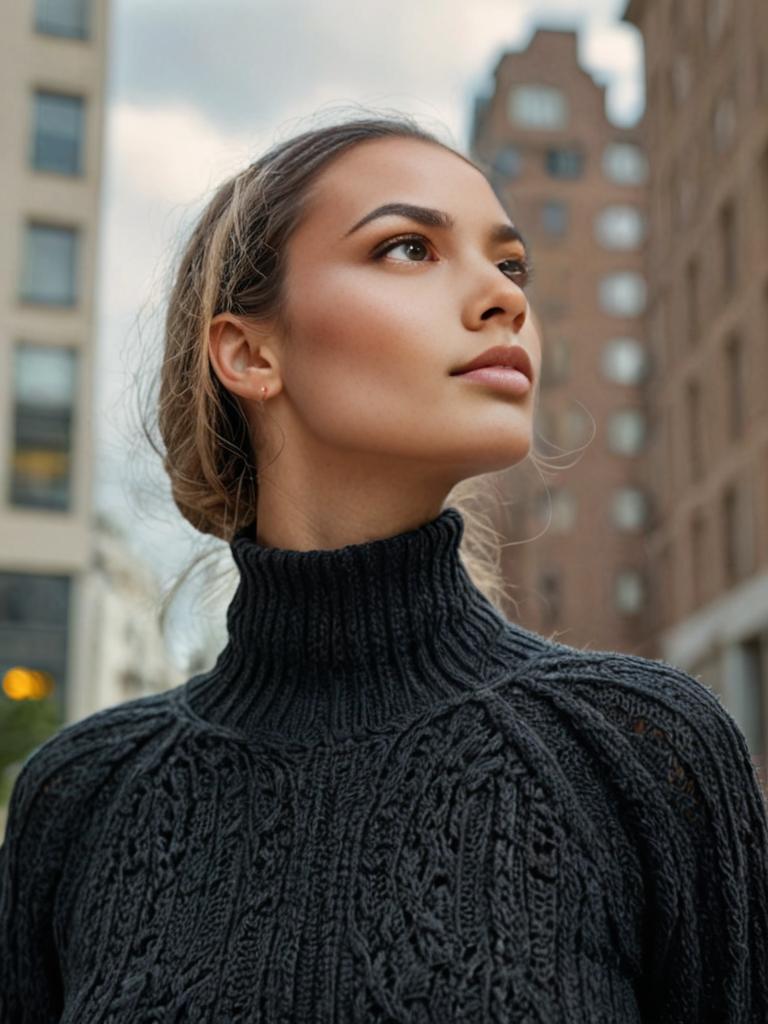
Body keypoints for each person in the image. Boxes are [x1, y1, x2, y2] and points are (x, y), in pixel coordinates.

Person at [1, 113, 767, 1024]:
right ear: (249, 352)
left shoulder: (642, 751)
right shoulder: (77, 798)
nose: (504, 299)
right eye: (409, 247)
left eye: (511, 264)